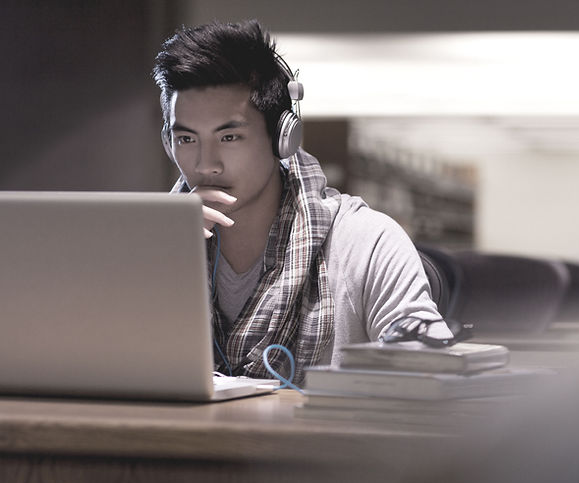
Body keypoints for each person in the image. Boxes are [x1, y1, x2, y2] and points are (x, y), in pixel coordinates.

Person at [152, 19, 443, 383]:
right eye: (187, 140)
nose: (205, 164)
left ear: (282, 138)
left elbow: (432, 375)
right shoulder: (152, 247)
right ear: (168, 142)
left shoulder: (367, 243)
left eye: (229, 138)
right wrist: (160, 261)